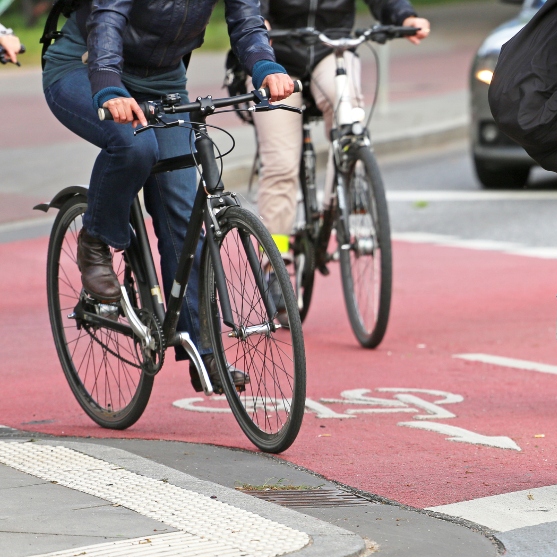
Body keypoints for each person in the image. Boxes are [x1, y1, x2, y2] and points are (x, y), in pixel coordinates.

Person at [42, 0, 295, 392]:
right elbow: (107, 19)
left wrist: (265, 65)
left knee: (182, 211)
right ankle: (95, 240)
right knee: (133, 148)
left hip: (162, 81)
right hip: (86, 65)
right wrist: (108, 83)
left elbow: (247, 22)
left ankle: (204, 351)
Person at [254, 0, 430, 257]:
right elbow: (250, 8)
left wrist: (405, 17)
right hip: (276, 58)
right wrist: (260, 27)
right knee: (280, 164)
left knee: (348, 116)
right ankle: (272, 265)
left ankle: (339, 197)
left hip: (332, 50)